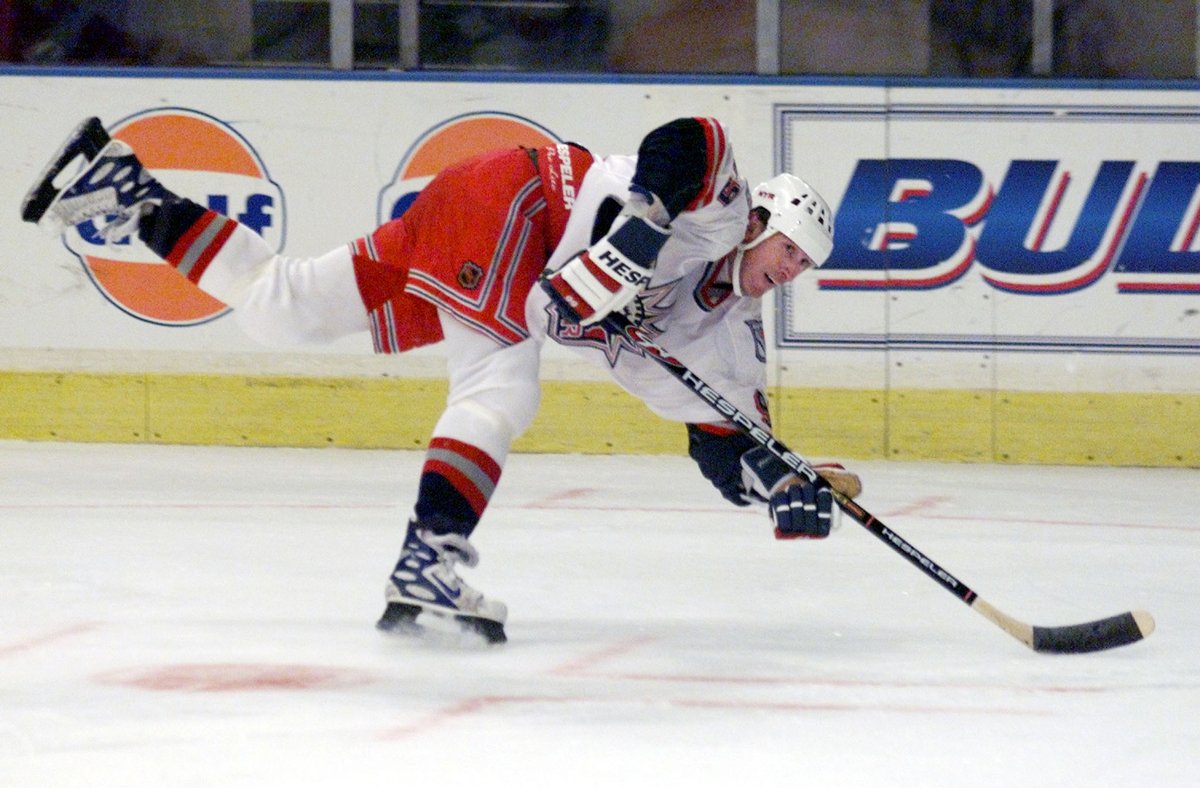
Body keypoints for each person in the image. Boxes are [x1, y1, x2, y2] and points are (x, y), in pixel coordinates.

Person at [22, 115, 858, 644]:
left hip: (480, 237)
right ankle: (430, 555)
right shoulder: (720, 209)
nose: (789, 272)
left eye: (804, 268)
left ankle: (126, 192)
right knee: (501, 383)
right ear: (765, 221)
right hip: (516, 202)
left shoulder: (727, 348)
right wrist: (630, 250)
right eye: (790, 251)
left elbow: (726, 450)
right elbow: (686, 139)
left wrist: (781, 487)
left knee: (285, 307)